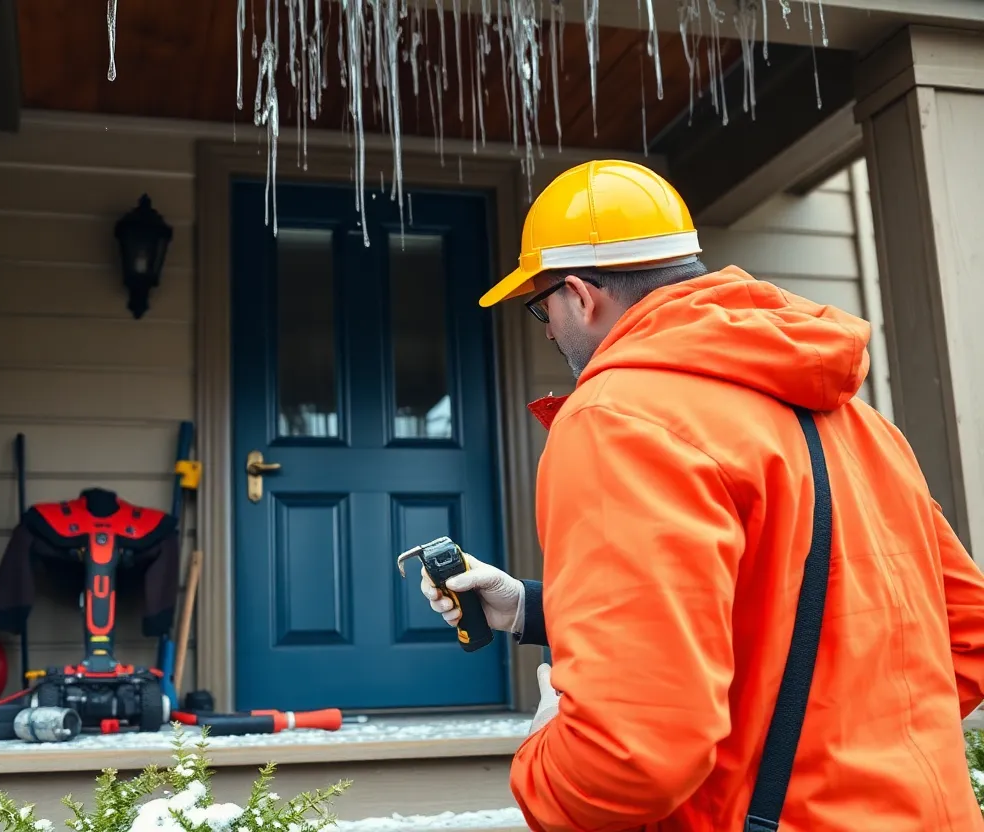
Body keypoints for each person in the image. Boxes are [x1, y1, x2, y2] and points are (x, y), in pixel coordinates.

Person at [418, 159, 984, 831]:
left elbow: (630, 760)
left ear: (580, 295)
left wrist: (546, 749)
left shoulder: (616, 419)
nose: (545, 328)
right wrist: (531, 609)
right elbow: (964, 639)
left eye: (542, 306)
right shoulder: (861, 423)